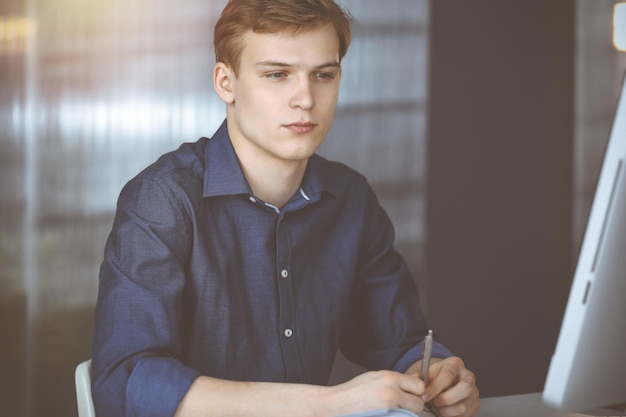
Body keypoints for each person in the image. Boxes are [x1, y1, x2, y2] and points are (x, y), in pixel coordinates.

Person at [91, 1, 480, 416]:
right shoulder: (162, 199)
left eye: (323, 75)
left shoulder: (351, 198)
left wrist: (440, 375)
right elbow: (125, 380)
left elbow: (399, 341)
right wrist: (330, 403)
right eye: (277, 74)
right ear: (226, 83)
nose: (306, 99)